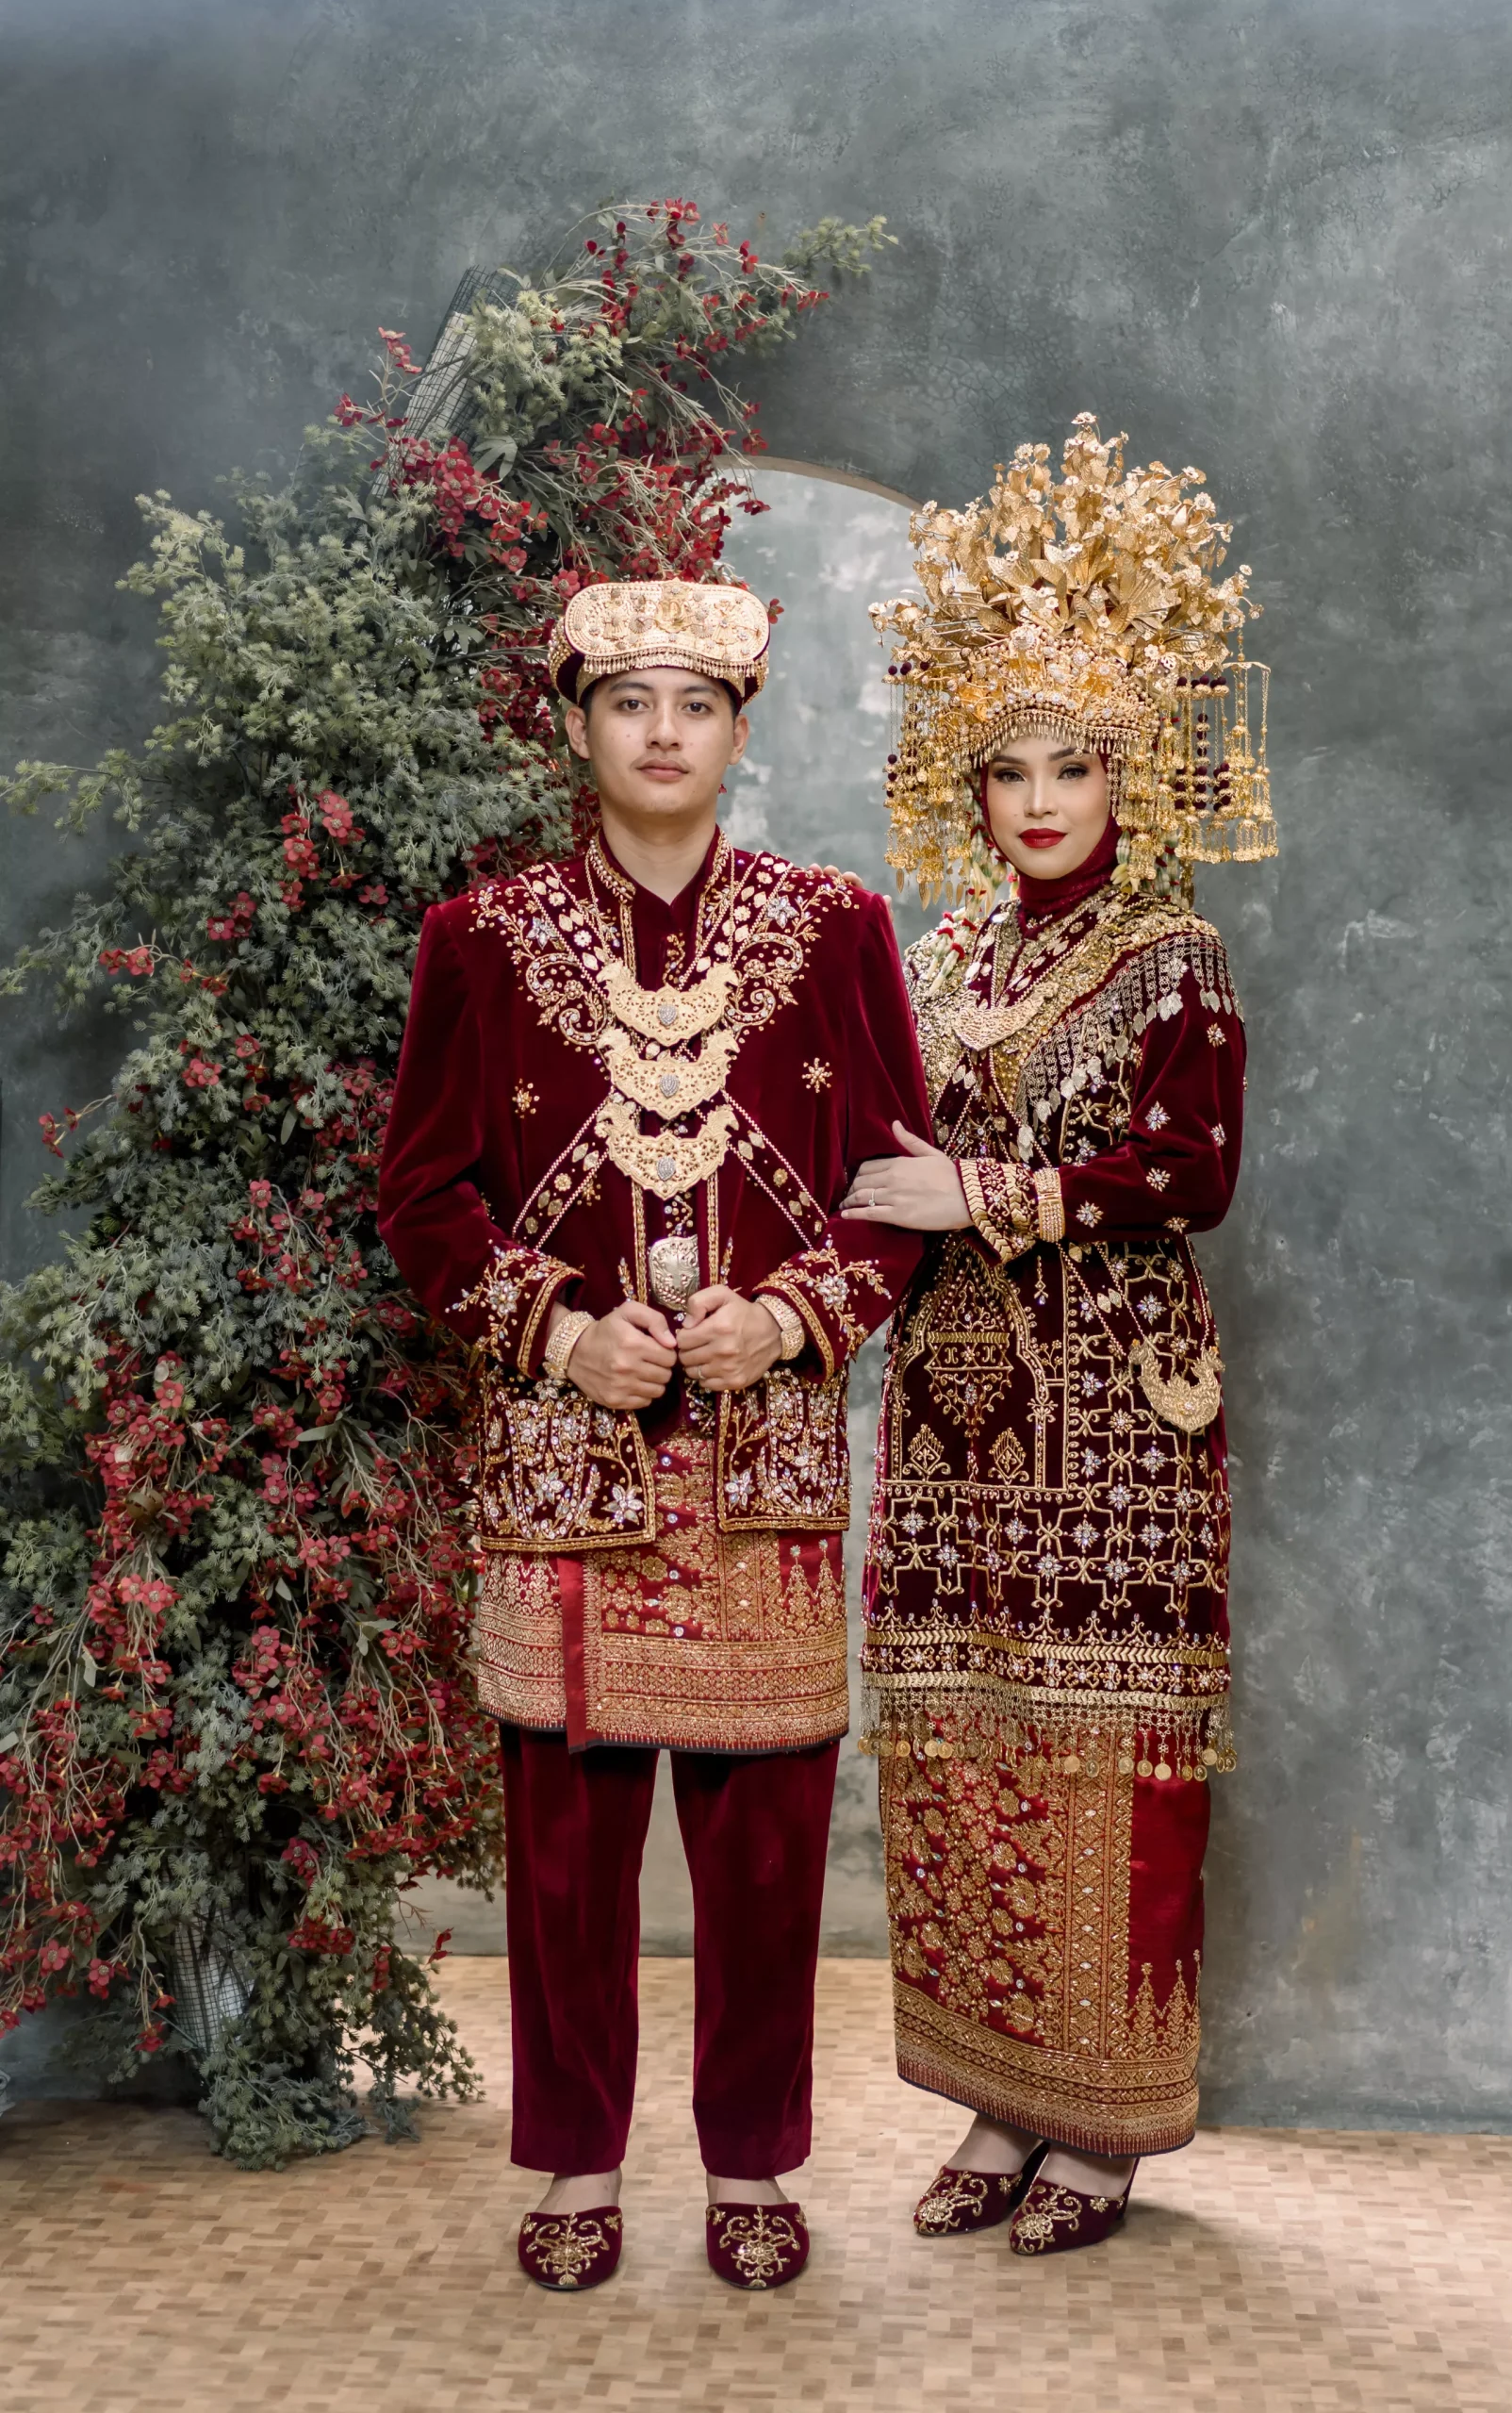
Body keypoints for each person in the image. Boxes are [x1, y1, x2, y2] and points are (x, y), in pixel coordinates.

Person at [377, 579, 930, 2292]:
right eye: (629, 702)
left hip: (762, 1467)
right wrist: (555, 1327)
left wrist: (795, 1315)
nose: (664, 732)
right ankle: (576, 2159)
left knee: (765, 1852)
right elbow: (421, 1195)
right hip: (566, 1470)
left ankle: (752, 2163)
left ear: (741, 732)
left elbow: (895, 1187)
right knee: (566, 1851)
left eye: (697, 702)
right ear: (574, 728)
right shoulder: (479, 939)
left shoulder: (837, 928)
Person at [843, 419, 1276, 2257]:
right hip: (952, 1419)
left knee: (1102, 1746)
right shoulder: (936, 959)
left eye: (1073, 762)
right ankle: (997, 2099)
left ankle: (1098, 2125)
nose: (1036, 799)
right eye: (1005, 765)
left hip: (1113, 1417)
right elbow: (865, 1151)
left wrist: (987, 1193)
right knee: (962, 1746)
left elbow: (1193, 1168)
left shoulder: (1175, 956)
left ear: (1131, 772)